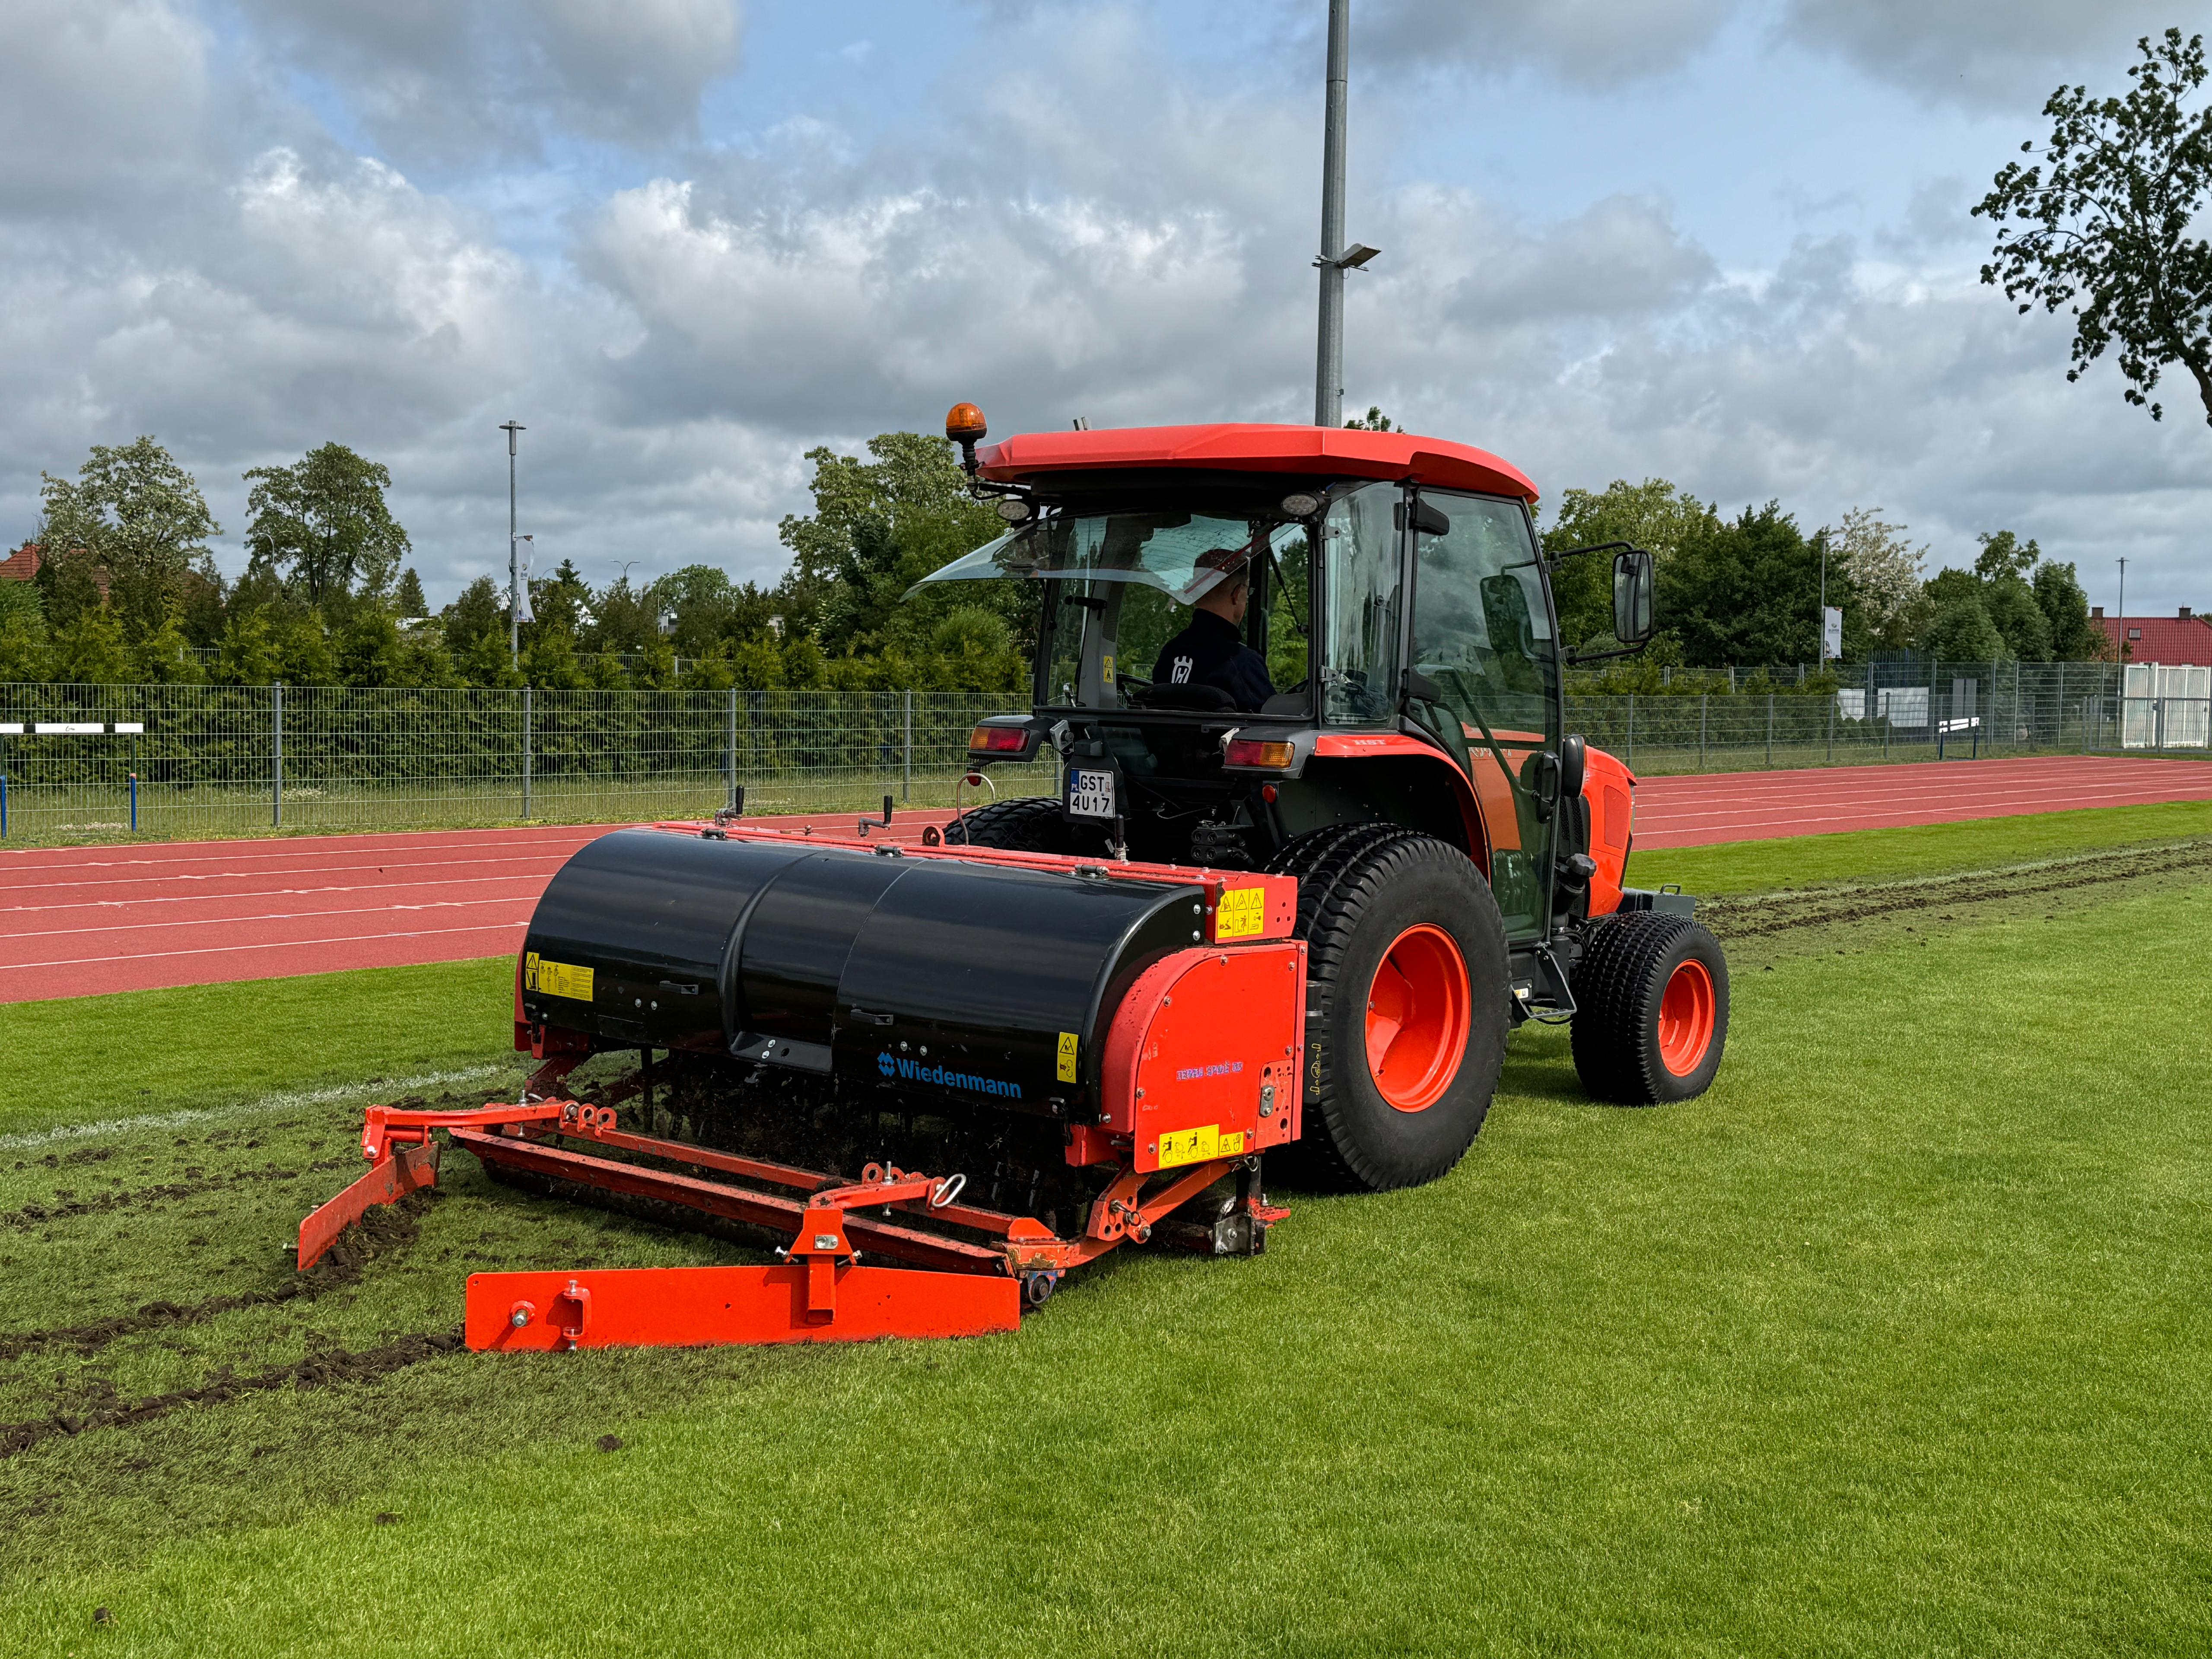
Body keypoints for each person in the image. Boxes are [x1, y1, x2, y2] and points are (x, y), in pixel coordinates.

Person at [1150, 547, 1275, 711]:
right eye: (1248, 592)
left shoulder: (1169, 653)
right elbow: (1274, 720)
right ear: (1237, 594)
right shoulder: (1242, 663)